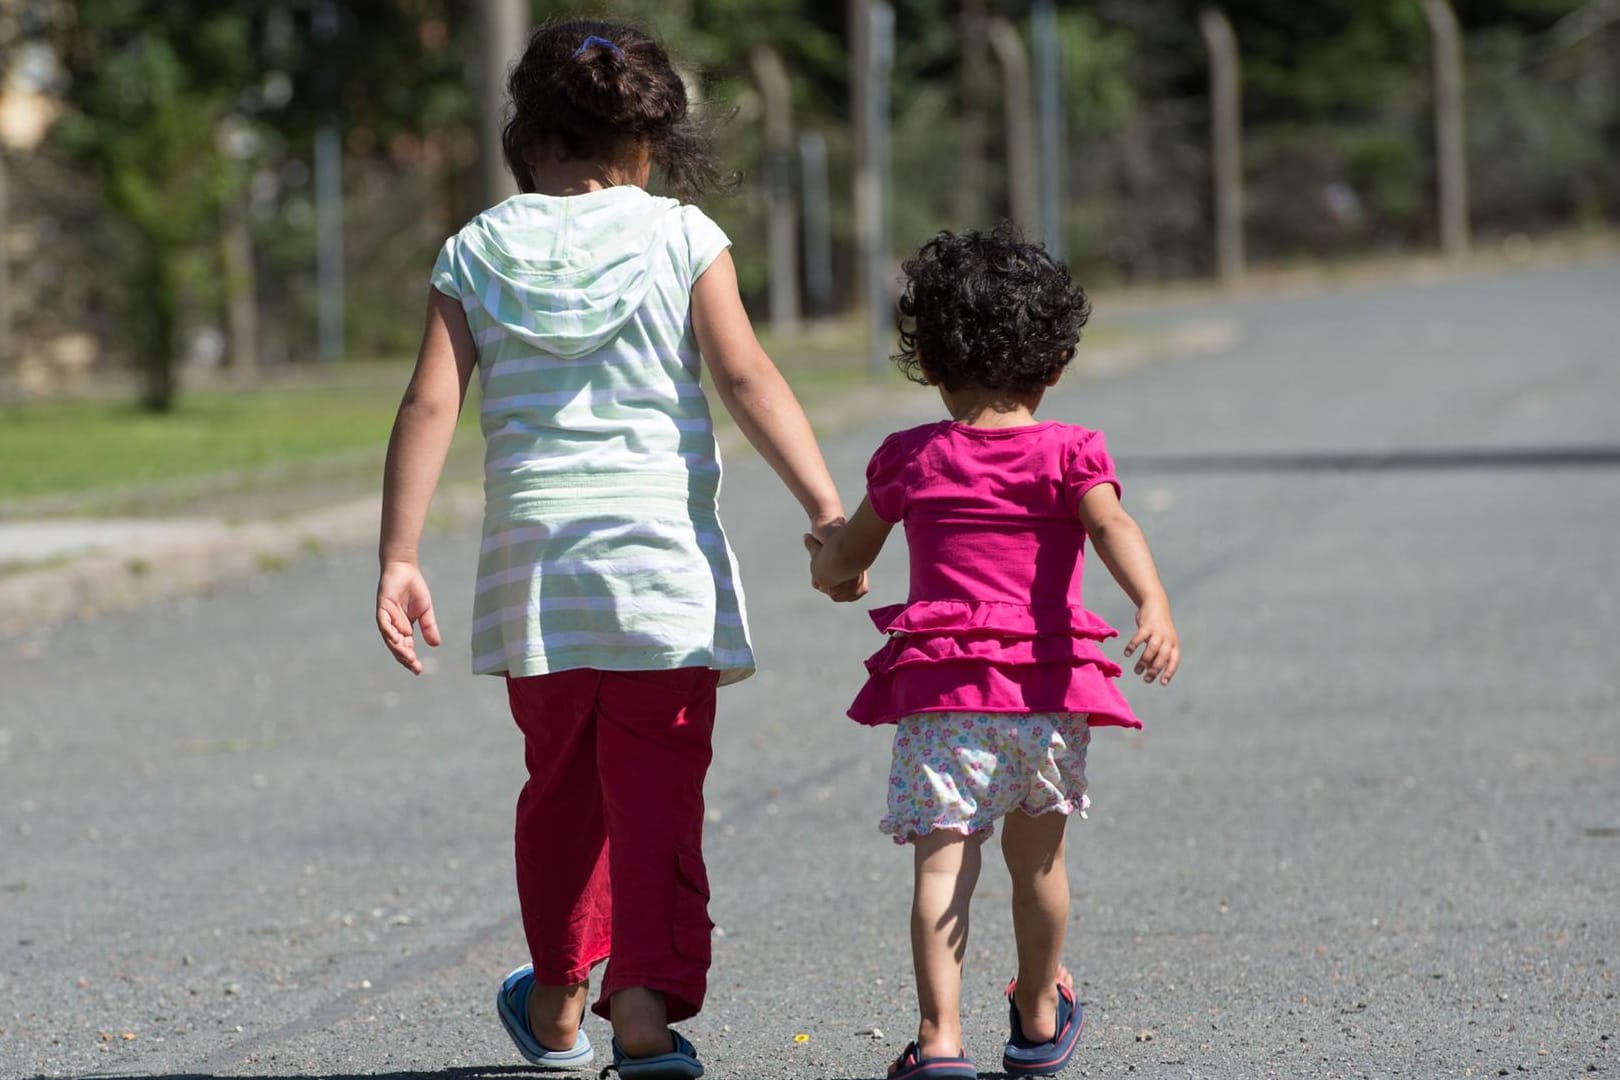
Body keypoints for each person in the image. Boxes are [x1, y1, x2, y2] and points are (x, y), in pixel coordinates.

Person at [375, 19, 858, 1079]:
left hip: (536, 577)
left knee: (560, 787)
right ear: (651, 142)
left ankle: (555, 1004)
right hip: (659, 575)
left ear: (526, 135)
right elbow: (745, 380)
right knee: (655, 795)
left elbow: (428, 405)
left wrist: (398, 555)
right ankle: (643, 1009)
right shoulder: (682, 238)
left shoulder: (479, 246)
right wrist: (827, 507)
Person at [807, 224, 1181, 1080]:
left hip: (943, 702)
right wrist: (1151, 602)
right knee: (1038, 864)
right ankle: (1040, 1014)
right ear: (1055, 364)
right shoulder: (1070, 453)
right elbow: (1112, 523)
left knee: (942, 870)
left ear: (929, 365)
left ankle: (940, 1041)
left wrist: (829, 562)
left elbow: (846, 561)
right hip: (1047, 696)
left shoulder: (912, 458)